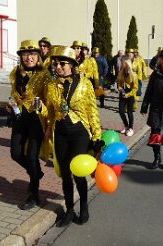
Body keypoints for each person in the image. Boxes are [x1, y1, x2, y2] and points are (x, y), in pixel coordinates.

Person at [45, 45, 102, 227]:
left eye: (62, 64)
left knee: (78, 171)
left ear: (71, 65)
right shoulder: (52, 85)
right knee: (65, 174)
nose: (58, 67)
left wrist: (96, 136)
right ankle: (69, 210)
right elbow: (52, 111)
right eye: (56, 64)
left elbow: (92, 110)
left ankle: (84, 206)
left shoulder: (85, 84)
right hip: (60, 132)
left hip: (79, 132)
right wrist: (46, 123)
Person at [8, 40, 48, 210]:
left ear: (38, 56)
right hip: (20, 117)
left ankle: (34, 193)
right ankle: (36, 173)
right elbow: (14, 93)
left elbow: (50, 99)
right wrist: (12, 103)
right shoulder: (16, 72)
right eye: (25, 54)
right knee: (15, 153)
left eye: (32, 54)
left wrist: (42, 108)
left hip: (36, 120)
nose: (29, 57)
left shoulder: (44, 74)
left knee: (32, 156)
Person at [117, 58, 138, 137]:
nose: (122, 65)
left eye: (124, 63)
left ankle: (131, 128)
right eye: (122, 63)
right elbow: (119, 83)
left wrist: (128, 94)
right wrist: (120, 88)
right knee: (121, 111)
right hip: (122, 94)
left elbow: (135, 88)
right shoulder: (120, 73)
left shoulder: (134, 75)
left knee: (129, 112)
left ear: (128, 65)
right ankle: (126, 126)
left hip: (130, 95)